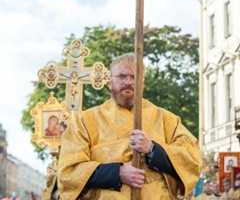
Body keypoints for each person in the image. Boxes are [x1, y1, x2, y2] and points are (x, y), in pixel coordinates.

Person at [58, 52, 202, 200]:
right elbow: (68, 172)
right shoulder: (85, 121)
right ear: (110, 81)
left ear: (142, 82)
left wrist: (153, 150)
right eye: (121, 76)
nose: (128, 82)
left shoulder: (167, 120)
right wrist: (117, 173)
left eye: (135, 77)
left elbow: (193, 162)